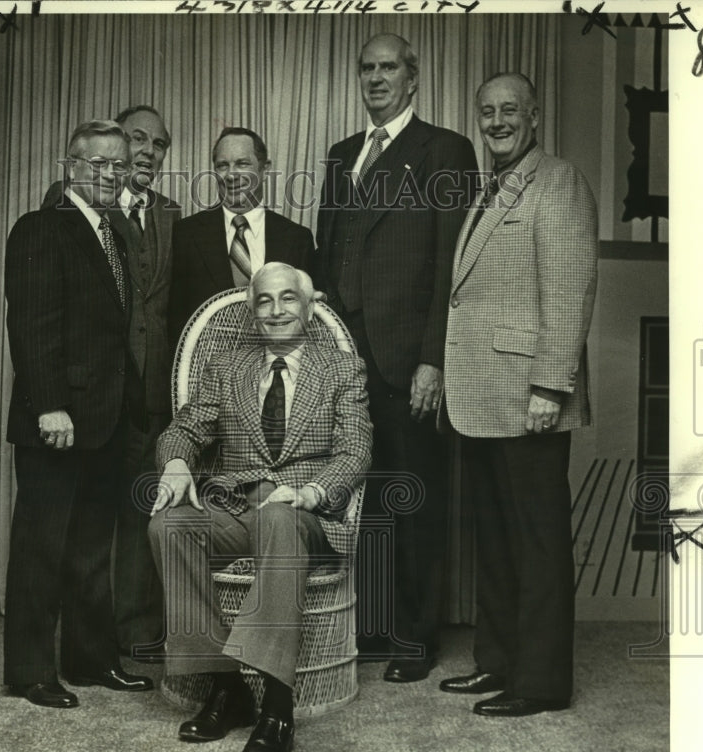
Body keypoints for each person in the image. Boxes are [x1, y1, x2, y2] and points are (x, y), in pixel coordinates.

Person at [148, 262, 372, 752]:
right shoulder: (228, 366)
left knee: (280, 520)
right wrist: (178, 461)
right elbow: (184, 427)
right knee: (169, 524)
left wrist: (313, 492)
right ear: (253, 313)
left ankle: (277, 706)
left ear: (309, 308)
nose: (276, 310)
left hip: (306, 516)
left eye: (288, 299)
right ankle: (227, 687)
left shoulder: (340, 369)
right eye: (264, 301)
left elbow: (356, 449)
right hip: (238, 508)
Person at [315, 33, 478, 682]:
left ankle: (414, 636)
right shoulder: (340, 155)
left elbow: (450, 269)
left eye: (389, 68)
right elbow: (329, 257)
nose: (377, 78)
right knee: (363, 499)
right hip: (347, 359)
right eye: (368, 68)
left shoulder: (445, 151)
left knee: (413, 497)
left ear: (413, 79)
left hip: (407, 360)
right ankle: (374, 627)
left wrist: (433, 359)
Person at [437, 73, 597, 717]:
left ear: (535, 114)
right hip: (481, 397)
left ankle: (540, 682)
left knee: (537, 544)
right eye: (487, 112)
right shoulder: (493, 187)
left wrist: (548, 387)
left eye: (509, 110)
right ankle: (498, 664)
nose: (497, 121)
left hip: (528, 396)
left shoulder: (558, 181)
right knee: (498, 542)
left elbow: (571, 289)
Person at [2, 120, 154, 708]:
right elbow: (33, 326)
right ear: (71, 165)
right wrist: (52, 407)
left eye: (120, 165)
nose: (112, 174)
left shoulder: (112, 233)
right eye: (99, 164)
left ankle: (91, 661)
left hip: (105, 420)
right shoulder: (41, 228)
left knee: (93, 546)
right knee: (42, 545)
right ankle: (29, 670)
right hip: (57, 422)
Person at [42, 106, 180, 659]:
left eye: (160, 144)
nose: (148, 151)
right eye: (138, 139)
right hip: (96, 395)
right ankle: (87, 641)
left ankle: (137, 632)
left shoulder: (172, 214)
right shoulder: (70, 208)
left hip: (153, 392)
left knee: (143, 510)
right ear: (117, 149)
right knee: (87, 525)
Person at [168, 127, 315, 343]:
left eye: (242, 164)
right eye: (222, 166)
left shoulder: (297, 239)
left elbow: (307, 320)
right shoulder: (185, 235)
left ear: (265, 170)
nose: (232, 175)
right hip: (204, 370)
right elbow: (174, 321)